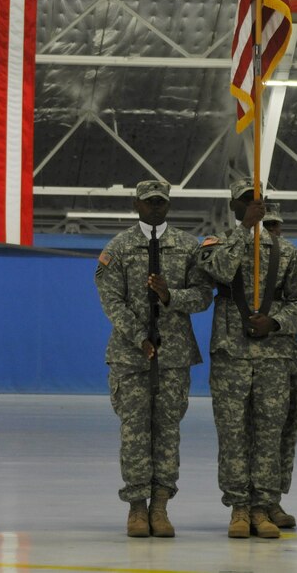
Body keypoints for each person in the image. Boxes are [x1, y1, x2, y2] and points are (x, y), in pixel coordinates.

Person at [94, 180, 211, 538]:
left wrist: (169, 295)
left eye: (161, 201)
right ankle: (136, 509)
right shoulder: (119, 248)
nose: (155, 207)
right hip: (131, 358)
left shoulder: (188, 247)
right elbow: (111, 300)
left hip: (173, 357)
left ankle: (160, 507)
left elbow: (204, 296)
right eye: (149, 202)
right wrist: (140, 336)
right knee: (134, 434)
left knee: (168, 433)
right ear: (136, 205)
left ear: (169, 205)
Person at [196, 180, 297, 539]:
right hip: (232, 354)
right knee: (232, 433)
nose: (253, 205)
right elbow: (221, 272)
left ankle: (263, 506)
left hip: (275, 355)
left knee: (269, 433)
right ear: (233, 207)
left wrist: (276, 322)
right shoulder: (216, 244)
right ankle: (239, 508)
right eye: (246, 201)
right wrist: (246, 229)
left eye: (258, 201)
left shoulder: (286, 253)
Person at [259, 202, 297, 530]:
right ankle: (251, 501)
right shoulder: (240, 255)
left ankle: (273, 499)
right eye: (266, 226)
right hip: (246, 359)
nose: (271, 232)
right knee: (251, 432)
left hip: (287, 356)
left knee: (285, 430)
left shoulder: (291, 257)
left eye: (275, 226)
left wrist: (275, 322)